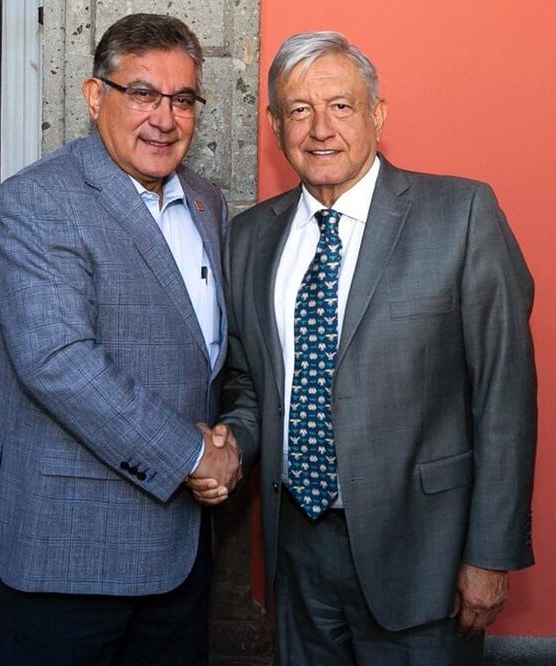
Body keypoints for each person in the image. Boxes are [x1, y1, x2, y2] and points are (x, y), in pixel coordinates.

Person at [196, 31, 537, 664]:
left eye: (341, 106)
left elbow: (505, 397)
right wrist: (232, 443)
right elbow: (250, 382)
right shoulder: (249, 238)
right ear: (274, 125)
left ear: (377, 115)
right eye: (299, 110)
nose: (320, 128)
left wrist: (490, 555)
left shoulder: (460, 215)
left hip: (424, 554)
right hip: (296, 548)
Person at [0, 13, 241, 665]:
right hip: (68, 557)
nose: (164, 117)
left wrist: (232, 442)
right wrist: (191, 455)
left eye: (182, 99)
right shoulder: (37, 202)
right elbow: (59, 363)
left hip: (179, 554)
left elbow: (212, 356)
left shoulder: (207, 201)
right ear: (96, 96)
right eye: (143, 92)